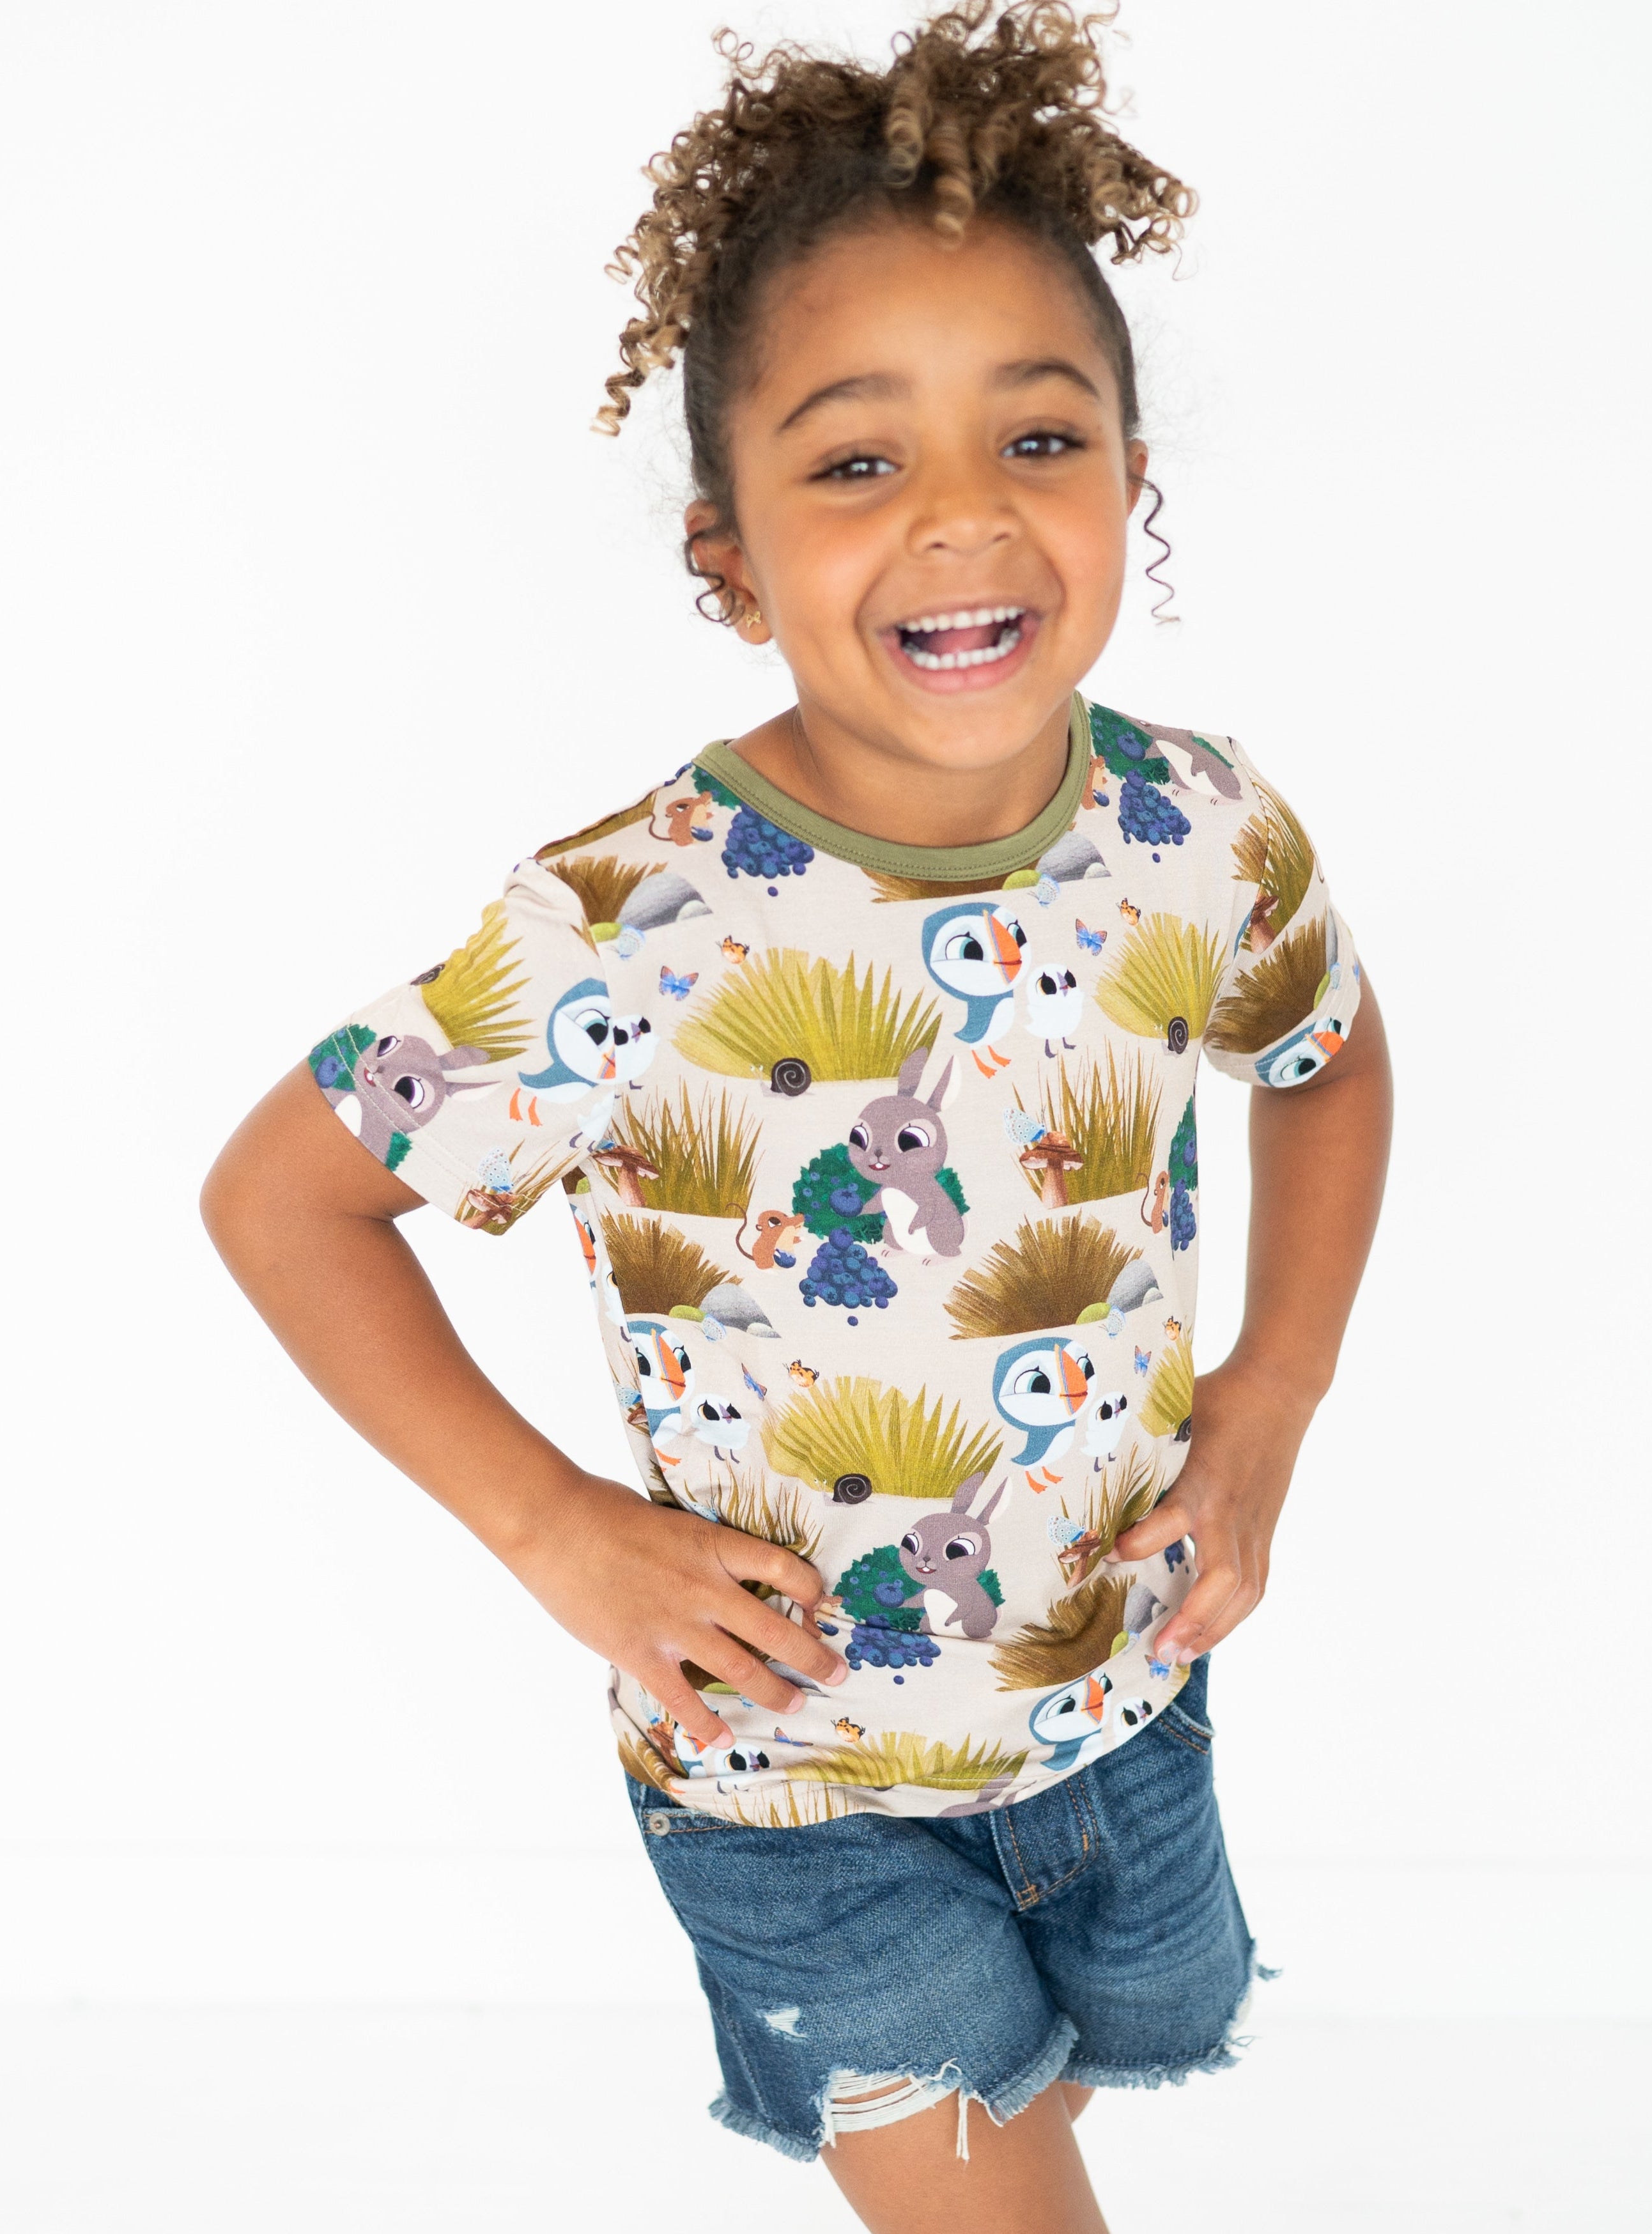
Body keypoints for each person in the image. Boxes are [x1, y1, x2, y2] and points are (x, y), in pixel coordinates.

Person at [200, 6, 1391, 2227]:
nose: (961, 515)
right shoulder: (626, 925)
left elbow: (1324, 1051)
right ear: (726, 550)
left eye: (1037, 434)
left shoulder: (1202, 835)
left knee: (1049, 2128)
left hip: (1117, 1710)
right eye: (855, 463)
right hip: (788, 1786)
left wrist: (1277, 1394)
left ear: (1132, 473)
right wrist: (556, 1532)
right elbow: (282, 1200)